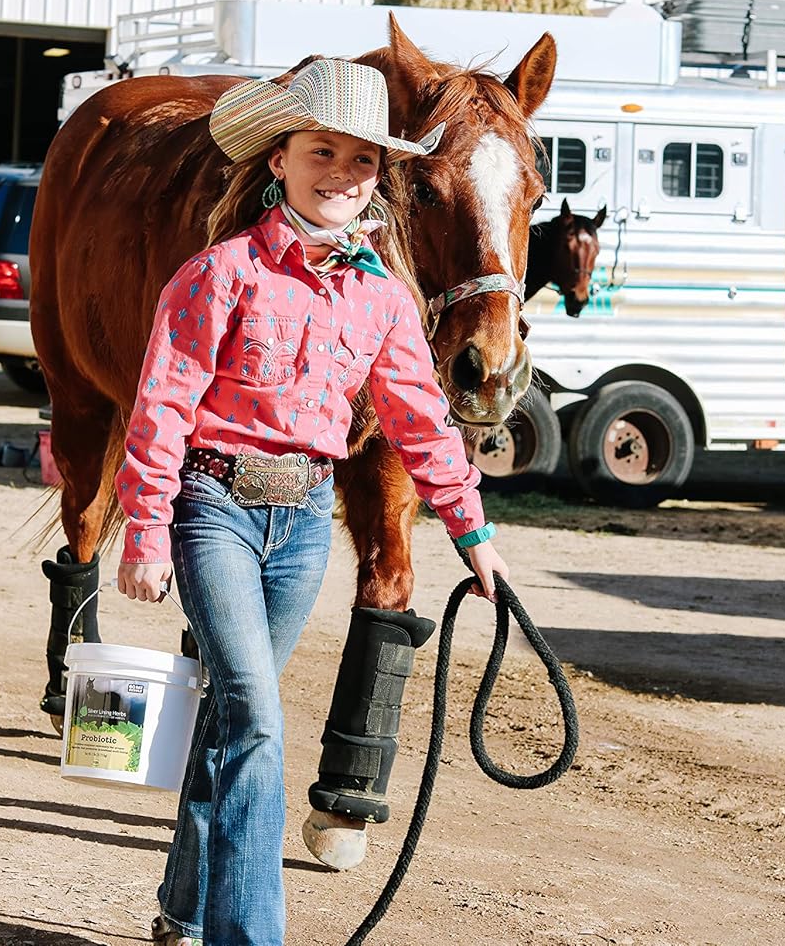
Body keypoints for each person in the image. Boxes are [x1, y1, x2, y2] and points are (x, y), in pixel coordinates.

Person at [114, 58, 510, 946]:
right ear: (279, 160)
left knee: (234, 717)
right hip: (213, 509)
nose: (341, 172)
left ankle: (182, 909)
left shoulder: (383, 299)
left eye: (362, 158)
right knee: (257, 717)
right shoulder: (219, 274)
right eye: (321, 151)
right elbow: (163, 405)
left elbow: (421, 421)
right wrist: (144, 529)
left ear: (380, 175)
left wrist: (471, 531)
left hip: (300, 528)